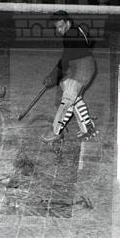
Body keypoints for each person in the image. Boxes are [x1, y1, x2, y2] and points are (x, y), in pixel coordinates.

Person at [42, 11, 99, 144]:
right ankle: (88, 127)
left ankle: (55, 132)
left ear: (68, 23)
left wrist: (53, 75)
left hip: (82, 67)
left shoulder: (70, 34)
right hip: (82, 65)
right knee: (72, 95)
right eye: (57, 27)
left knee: (67, 99)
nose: (59, 30)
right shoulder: (78, 30)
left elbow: (65, 58)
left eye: (61, 26)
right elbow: (90, 41)